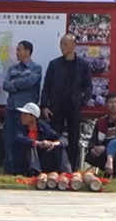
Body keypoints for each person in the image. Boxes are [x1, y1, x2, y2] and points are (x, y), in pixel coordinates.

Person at [40, 34, 93, 172]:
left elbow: (88, 87)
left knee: (74, 138)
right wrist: (44, 105)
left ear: (73, 45)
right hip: (56, 107)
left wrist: (82, 101)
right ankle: (54, 168)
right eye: (61, 44)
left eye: (64, 44)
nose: (61, 47)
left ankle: (71, 169)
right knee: (54, 136)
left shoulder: (83, 65)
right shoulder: (54, 64)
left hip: (74, 107)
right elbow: (47, 86)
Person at [2, 41, 42, 175]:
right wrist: (18, 85)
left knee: (24, 140)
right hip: (11, 108)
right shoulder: (12, 68)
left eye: (19, 50)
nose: (17, 52)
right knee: (9, 139)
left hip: (26, 112)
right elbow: (6, 85)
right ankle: (9, 169)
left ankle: (25, 168)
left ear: (28, 51)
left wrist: (15, 83)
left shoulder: (36, 68)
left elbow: (30, 82)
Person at [13, 102, 71, 177]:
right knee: (31, 145)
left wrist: (54, 144)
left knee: (59, 147)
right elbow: (19, 138)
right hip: (24, 162)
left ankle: (66, 174)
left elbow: (63, 139)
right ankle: (34, 173)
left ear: (33, 117)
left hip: (42, 160)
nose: (22, 116)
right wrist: (37, 143)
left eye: (25, 114)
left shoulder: (44, 127)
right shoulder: (19, 127)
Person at [85, 92, 116, 171]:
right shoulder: (100, 122)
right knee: (91, 155)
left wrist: (105, 147)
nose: (114, 105)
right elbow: (93, 140)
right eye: (111, 102)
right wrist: (92, 149)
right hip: (100, 151)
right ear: (106, 105)